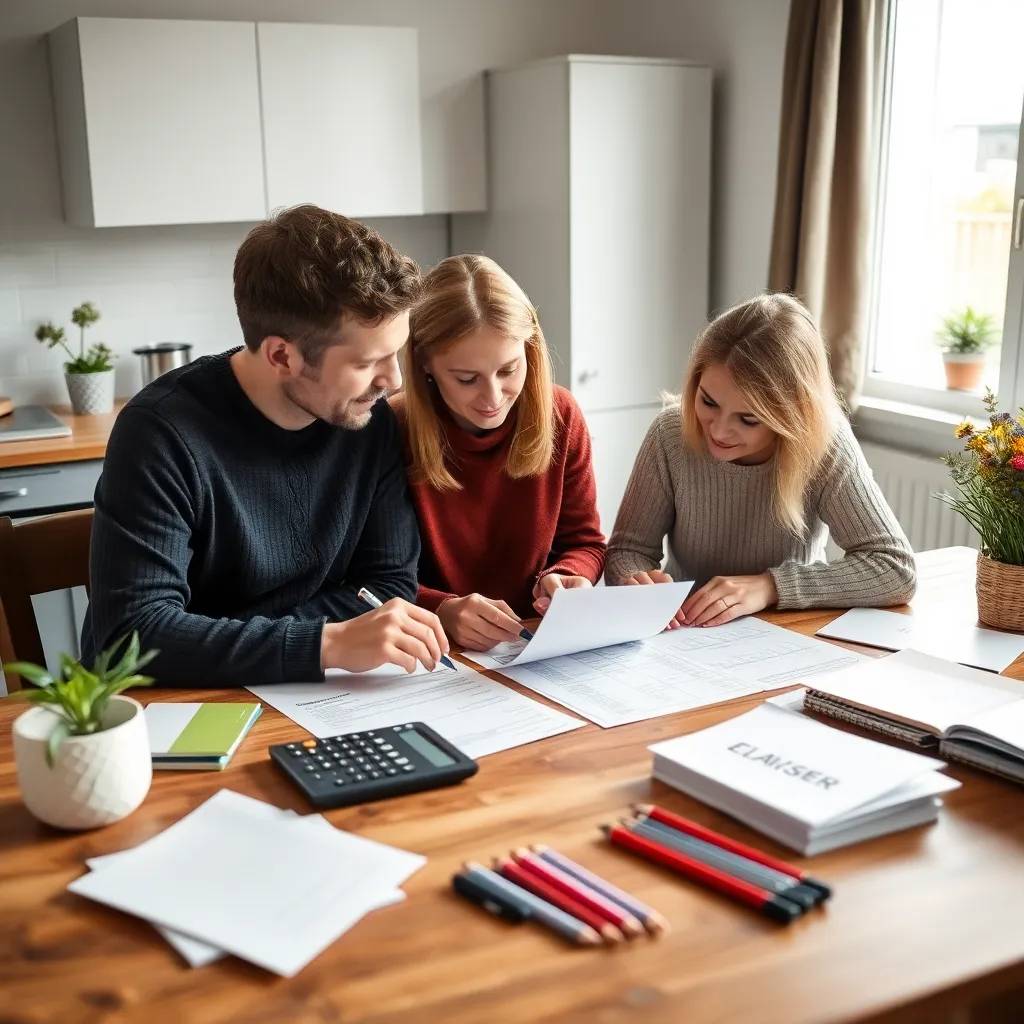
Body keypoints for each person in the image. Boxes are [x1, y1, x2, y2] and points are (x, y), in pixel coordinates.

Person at [82, 204, 449, 686]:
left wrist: (224, 634)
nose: (394, 381)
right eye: (366, 362)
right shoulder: (160, 433)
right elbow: (132, 634)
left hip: (304, 691)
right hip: (178, 704)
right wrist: (327, 641)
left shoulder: (364, 416)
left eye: (396, 353)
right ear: (282, 355)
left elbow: (386, 586)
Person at [605, 292, 916, 626]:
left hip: (790, 629)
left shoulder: (825, 443)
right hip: (685, 630)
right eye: (709, 402)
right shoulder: (669, 434)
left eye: (748, 419)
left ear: (794, 414)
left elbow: (894, 567)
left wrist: (770, 587)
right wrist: (634, 580)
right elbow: (627, 551)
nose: (720, 431)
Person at [390, 255, 606, 651]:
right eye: (467, 378)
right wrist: (442, 610)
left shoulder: (561, 415)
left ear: (530, 349)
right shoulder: (391, 427)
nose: (492, 397)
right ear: (425, 364)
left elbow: (586, 543)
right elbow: (369, 579)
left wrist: (566, 575)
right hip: (430, 652)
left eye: (508, 370)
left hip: (534, 646)